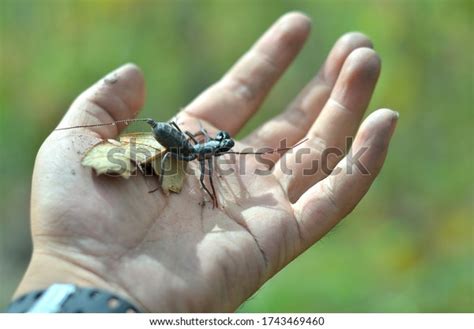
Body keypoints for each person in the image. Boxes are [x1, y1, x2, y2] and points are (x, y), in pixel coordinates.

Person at [8, 12, 397, 312]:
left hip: (176, 140)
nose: (219, 153)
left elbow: (208, 155)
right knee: (194, 158)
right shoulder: (194, 152)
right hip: (171, 139)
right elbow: (202, 162)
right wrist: (83, 268)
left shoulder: (202, 150)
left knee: (197, 157)